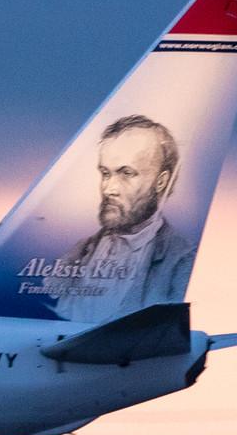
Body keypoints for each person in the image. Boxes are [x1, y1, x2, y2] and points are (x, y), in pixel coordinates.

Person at [48, 114, 197, 323]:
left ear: (161, 182)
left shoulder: (179, 258)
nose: (109, 189)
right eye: (105, 173)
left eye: (126, 173)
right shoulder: (80, 250)